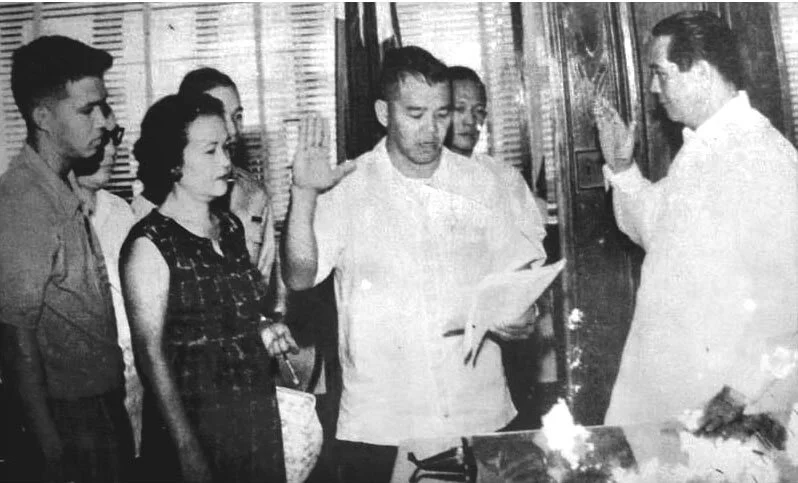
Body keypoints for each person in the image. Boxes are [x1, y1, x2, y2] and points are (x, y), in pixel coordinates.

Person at [283, 46, 547, 483]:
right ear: (384, 113)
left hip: (476, 410)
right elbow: (300, 275)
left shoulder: (483, 183)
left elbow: (520, 277)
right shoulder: (348, 186)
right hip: (383, 423)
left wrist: (523, 313)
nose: (431, 130)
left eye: (441, 114)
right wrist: (304, 196)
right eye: (415, 114)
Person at [596, 11, 798, 428]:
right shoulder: (703, 148)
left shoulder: (763, 158)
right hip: (682, 390)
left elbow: (789, 296)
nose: (653, 88)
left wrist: (739, 390)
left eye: (660, 73)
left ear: (702, 73)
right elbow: (660, 231)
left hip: (726, 402)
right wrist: (622, 167)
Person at [122, 93, 298, 482]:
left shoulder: (231, 229)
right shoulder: (150, 245)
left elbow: (232, 317)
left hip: (253, 419)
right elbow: (151, 359)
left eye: (227, 148)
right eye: (210, 151)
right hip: (194, 432)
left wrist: (264, 328)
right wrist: (186, 449)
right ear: (173, 161)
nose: (225, 162)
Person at [0, 35, 133, 482]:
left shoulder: (63, 186)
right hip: (68, 418)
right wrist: (49, 444)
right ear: (42, 118)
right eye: (85, 110)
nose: (101, 121)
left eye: (103, 106)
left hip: (99, 405)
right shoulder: (25, 201)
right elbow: (16, 337)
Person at [445, 65, 557, 427]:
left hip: (505, 352)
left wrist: (531, 310)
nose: (470, 121)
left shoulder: (505, 179)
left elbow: (530, 272)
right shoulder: (420, 181)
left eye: (479, 112)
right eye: (459, 109)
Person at [131, 68, 286, 310]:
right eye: (219, 115)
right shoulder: (150, 208)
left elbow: (263, 289)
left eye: (238, 116)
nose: (232, 131)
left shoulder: (254, 195)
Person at [75, 117, 144, 457]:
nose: (111, 149)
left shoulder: (121, 213)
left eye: (114, 137)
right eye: (99, 138)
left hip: (133, 388)